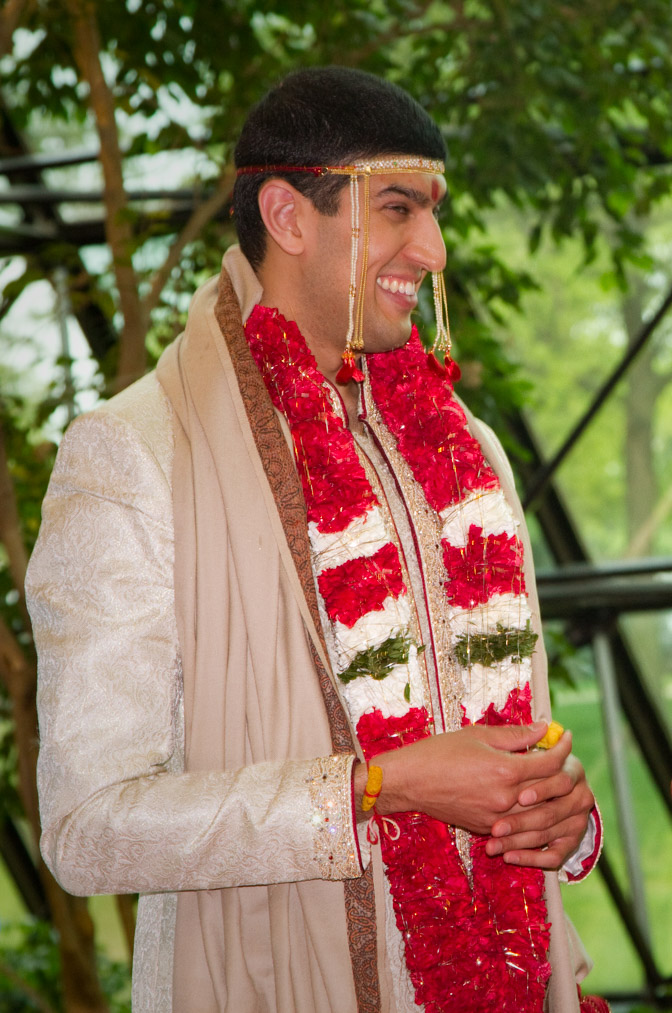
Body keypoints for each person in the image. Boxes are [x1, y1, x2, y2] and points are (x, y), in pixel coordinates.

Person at [29, 67, 605, 1013]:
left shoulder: (466, 453)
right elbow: (91, 829)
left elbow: (509, 744)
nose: (434, 247)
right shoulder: (135, 456)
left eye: (435, 211)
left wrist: (559, 817)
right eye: (398, 208)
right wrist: (378, 788)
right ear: (289, 217)